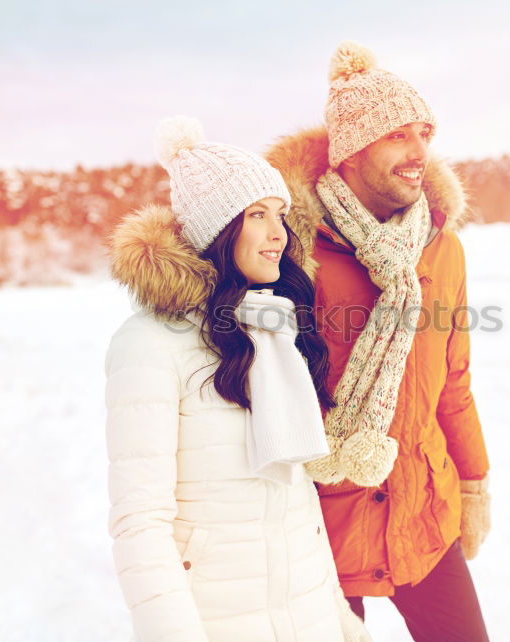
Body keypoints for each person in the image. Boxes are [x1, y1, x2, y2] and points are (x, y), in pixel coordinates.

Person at [104, 116, 370, 642]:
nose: (279, 234)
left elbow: (299, 504)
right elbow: (141, 525)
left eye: (281, 215)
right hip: (221, 622)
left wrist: (342, 622)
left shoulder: (278, 327)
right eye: (257, 215)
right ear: (218, 229)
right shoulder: (151, 344)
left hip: (309, 619)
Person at [264, 41, 492, 641]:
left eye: (425, 132)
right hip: (321, 528)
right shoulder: (291, 252)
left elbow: (454, 380)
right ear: (351, 151)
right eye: (398, 136)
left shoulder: (441, 248)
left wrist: (473, 483)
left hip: (424, 513)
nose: (420, 153)